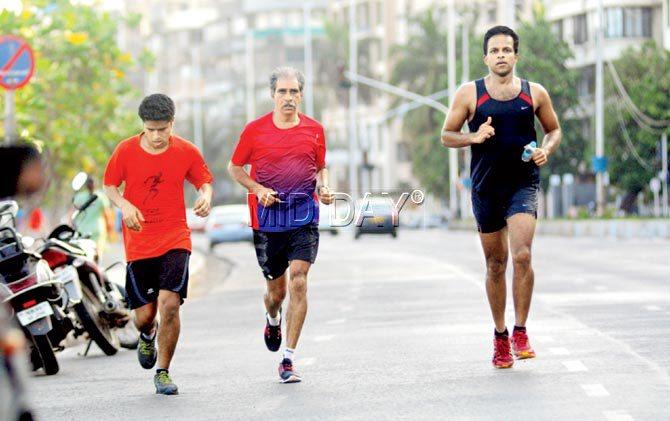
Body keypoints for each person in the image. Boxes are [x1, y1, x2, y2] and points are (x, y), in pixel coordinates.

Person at [440, 26, 562, 368]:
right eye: (495, 51)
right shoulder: (470, 94)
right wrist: (474, 136)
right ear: (486, 57)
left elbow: (553, 129)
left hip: (523, 184)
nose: (501, 55)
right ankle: (500, 336)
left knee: (522, 255)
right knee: (496, 264)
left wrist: (546, 150)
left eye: (507, 50)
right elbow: (446, 135)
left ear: (516, 56)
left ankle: (521, 329)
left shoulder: (534, 93)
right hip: (485, 188)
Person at [228, 66, 333, 383]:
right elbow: (235, 168)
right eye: (282, 92)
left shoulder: (314, 130)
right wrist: (258, 190)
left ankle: (287, 359)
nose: (288, 97)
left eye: (294, 91)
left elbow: (320, 168)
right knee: (277, 292)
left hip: (303, 216)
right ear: (272, 95)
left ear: (301, 94)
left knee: (299, 280)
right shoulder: (255, 131)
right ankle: (272, 318)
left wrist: (324, 187)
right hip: (268, 219)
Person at [103, 93, 213, 394]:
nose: (156, 136)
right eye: (150, 129)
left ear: (171, 124)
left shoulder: (186, 151)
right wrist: (124, 206)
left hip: (175, 237)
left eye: (162, 129)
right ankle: (147, 335)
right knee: (144, 316)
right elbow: (109, 185)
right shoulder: (125, 151)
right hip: (139, 243)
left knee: (170, 305)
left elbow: (204, 180)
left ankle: (163, 372)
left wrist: (205, 195)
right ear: (143, 126)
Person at [72, 176, 112, 255]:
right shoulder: (101, 197)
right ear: (95, 185)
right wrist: (110, 230)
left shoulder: (79, 197)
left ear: (86, 185)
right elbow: (107, 215)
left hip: (83, 230)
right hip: (97, 229)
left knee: (84, 254)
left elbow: (74, 213)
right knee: (97, 254)